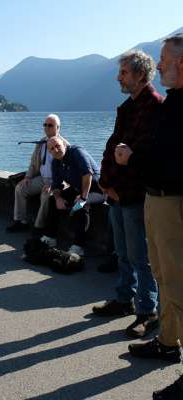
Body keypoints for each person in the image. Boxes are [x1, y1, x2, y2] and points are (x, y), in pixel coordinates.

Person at [115, 34, 183, 399]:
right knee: (162, 275)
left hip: (173, 203)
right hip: (156, 199)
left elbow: (173, 162)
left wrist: (133, 158)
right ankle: (169, 342)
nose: (160, 66)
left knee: (178, 283)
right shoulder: (172, 103)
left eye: (164, 60)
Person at [92, 50, 162, 339]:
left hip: (135, 196)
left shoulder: (156, 107)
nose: (118, 77)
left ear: (140, 75)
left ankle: (148, 311)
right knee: (123, 251)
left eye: (123, 72)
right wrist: (106, 184)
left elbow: (146, 155)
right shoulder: (127, 108)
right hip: (117, 193)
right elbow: (113, 149)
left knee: (140, 256)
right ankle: (125, 299)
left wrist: (118, 187)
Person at [42, 136, 104, 257]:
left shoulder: (77, 152)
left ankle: (78, 246)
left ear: (64, 145)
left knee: (80, 205)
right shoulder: (56, 162)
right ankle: (50, 237)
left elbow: (88, 174)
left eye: (57, 146)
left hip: (98, 190)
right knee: (51, 200)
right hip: (78, 188)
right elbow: (56, 184)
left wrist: (83, 198)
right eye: (52, 149)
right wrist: (58, 198)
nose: (55, 150)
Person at [7, 114, 61, 234]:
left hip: (54, 181)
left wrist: (53, 184)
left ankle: (39, 227)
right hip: (41, 178)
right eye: (45, 125)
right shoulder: (41, 142)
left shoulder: (63, 145)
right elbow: (33, 162)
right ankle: (20, 221)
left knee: (46, 197)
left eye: (50, 125)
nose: (47, 127)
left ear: (58, 128)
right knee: (20, 188)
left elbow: (64, 170)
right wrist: (28, 176)